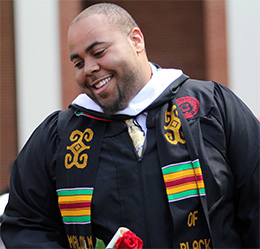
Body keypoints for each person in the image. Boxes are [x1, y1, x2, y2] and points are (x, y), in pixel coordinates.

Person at [1, 3, 259, 249]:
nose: (89, 69)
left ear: (136, 40)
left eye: (99, 52)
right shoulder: (59, 138)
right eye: (78, 63)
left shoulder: (210, 107)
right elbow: (26, 224)